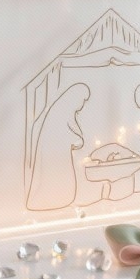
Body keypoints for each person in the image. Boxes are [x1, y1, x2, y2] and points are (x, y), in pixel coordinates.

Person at [26, 82, 91, 210]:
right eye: (82, 100)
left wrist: (79, 139)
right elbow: (62, 133)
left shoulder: (68, 112)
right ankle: (56, 199)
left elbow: (73, 129)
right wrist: (76, 139)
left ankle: (63, 197)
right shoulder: (59, 112)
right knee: (55, 176)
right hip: (54, 155)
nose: (82, 104)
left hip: (62, 155)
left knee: (65, 177)